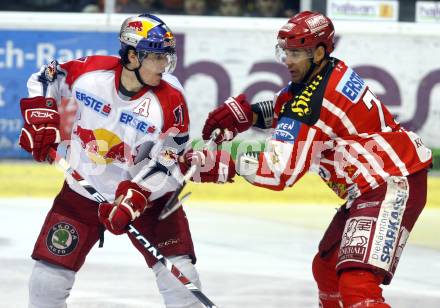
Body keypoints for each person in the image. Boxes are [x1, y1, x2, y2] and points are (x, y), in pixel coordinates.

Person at [202, 11, 432, 308]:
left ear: (319, 51)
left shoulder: (312, 102)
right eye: (285, 51)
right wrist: (253, 115)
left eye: (296, 52)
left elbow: (279, 172)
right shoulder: (328, 71)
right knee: (326, 269)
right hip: (377, 181)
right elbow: (292, 107)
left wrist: (225, 163)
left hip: (392, 183)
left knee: (357, 284)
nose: (287, 60)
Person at [19, 13, 234, 308]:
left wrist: (136, 197)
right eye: (157, 57)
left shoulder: (171, 100)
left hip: (151, 202)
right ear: (132, 55)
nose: (165, 65)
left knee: (182, 282)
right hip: (83, 192)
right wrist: (41, 118)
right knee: (46, 284)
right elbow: (46, 77)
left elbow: (168, 159)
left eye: (167, 57)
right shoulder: (91, 74)